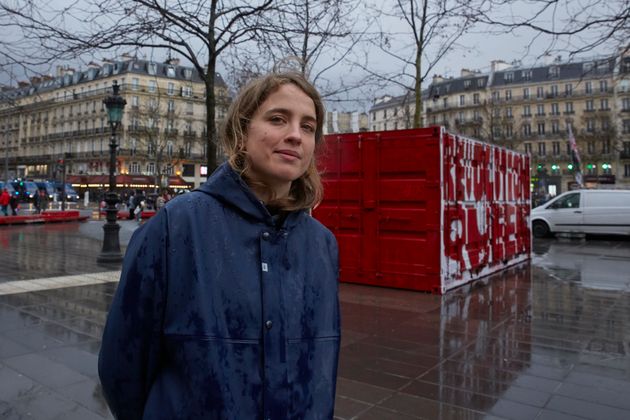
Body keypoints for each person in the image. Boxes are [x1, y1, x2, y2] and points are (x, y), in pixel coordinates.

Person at [99, 72, 340, 419]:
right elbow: (123, 366)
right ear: (241, 132)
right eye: (277, 119)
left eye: (308, 126)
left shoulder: (322, 245)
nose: (295, 135)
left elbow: (321, 367)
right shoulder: (175, 227)